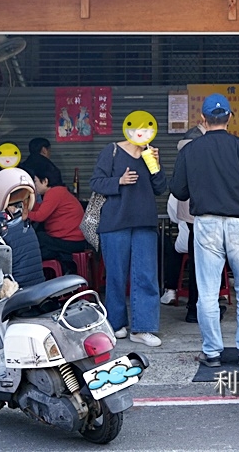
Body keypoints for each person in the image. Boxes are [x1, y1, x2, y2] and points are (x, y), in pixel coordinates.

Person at [170, 94, 239, 368]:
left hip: (206, 224)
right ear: (229, 117)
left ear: (202, 119)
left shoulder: (190, 150)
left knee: (207, 289)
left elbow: (178, 190)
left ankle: (212, 351)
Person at [89, 114, 168, 347]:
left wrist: (156, 166)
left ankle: (143, 328)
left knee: (146, 275)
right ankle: (116, 324)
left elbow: (161, 188)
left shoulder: (149, 155)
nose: (142, 135)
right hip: (114, 223)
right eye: (138, 130)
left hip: (144, 222)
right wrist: (119, 181)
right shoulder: (111, 151)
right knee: (116, 275)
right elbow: (95, 182)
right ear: (129, 130)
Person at [21, 159, 89, 274]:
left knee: (37, 238)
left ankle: (62, 266)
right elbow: (42, 208)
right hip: (72, 239)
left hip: (70, 241)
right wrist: (28, 205)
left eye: (36, 181)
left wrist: (25, 214)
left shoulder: (55, 193)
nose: (35, 185)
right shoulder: (58, 192)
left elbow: (41, 216)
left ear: (45, 181)